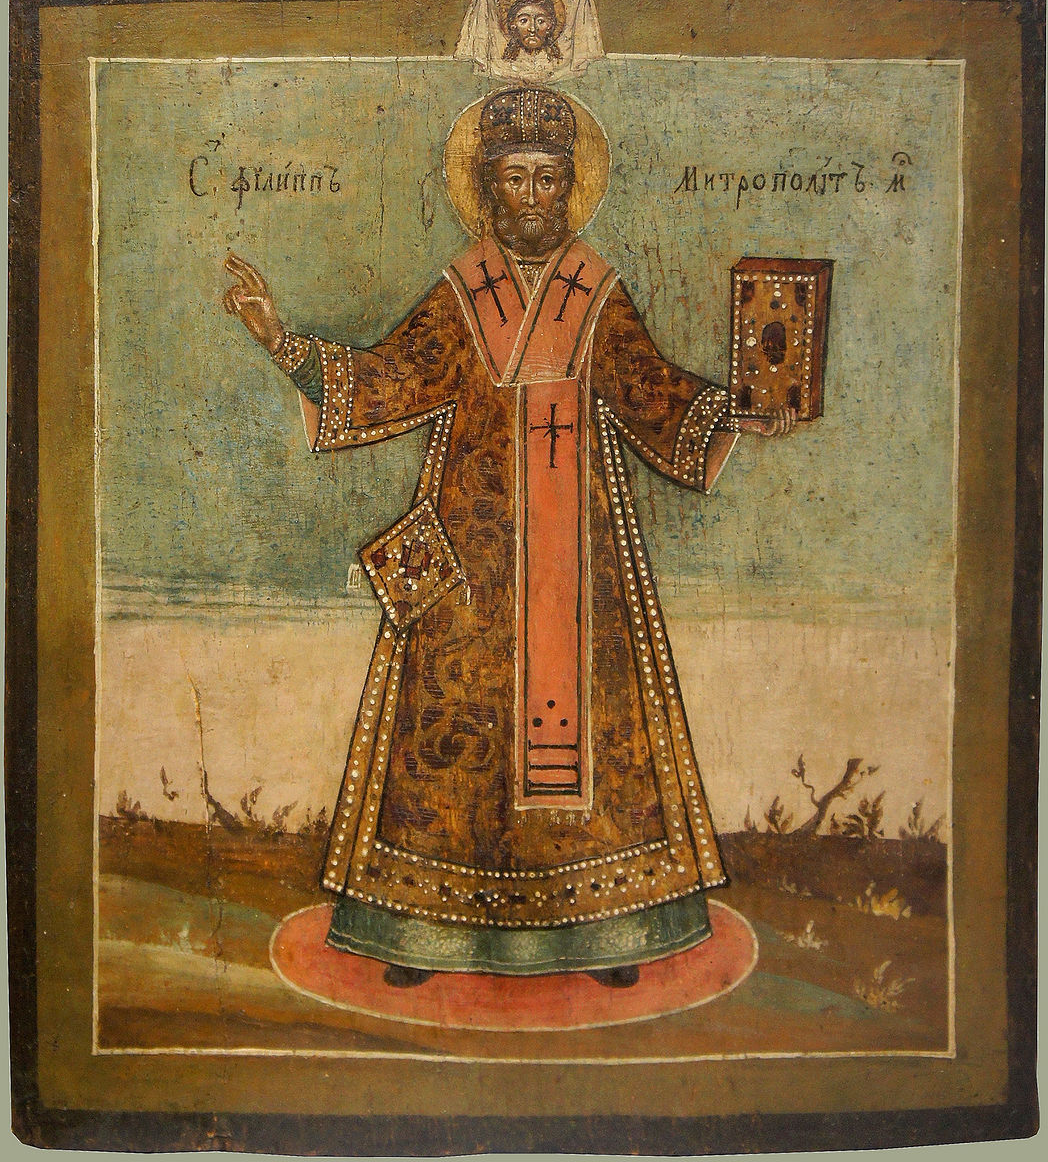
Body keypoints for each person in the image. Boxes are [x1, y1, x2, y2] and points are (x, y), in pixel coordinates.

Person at [223, 87, 793, 989]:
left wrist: (735, 413)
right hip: (470, 557)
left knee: (599, 722)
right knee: (450, 719)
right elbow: (390, 379)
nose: (532, 196)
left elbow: (651, 389)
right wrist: (283, 344)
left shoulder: (595, 291)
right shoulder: (463, 292)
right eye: (515, 179)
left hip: (582, 561)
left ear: (571, 187)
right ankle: (421, 931)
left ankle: (608, 932)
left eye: (548, 179)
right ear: (486, 190)